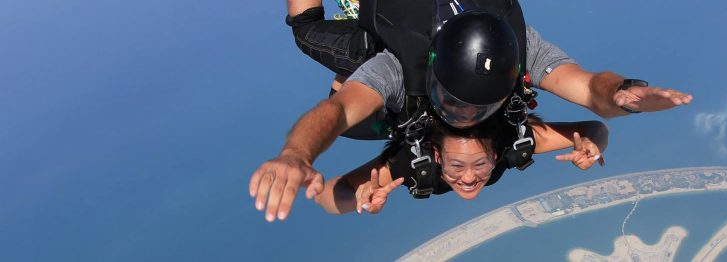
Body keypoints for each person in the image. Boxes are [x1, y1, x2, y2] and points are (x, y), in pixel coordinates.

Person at [248, 0, 693, 222]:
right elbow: (593, 111)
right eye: (477, 164)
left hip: (394, 69)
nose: (468, 177)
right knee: (349, 82)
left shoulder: (510, 53)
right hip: (409, 49)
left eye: (463, 164)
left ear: (437, 155)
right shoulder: (510, 131)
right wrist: (613, 111)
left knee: (326, 55)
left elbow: (590, 89)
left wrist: (622, 95)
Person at [311, 116, 608, 215]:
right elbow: (329, 196)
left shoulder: (513, 142)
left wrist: (592, 146)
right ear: (437, 156)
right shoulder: (411, 162)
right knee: (306, 30)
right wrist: (357, 198)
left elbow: (593, 129)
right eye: (456, 165)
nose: (468, 177)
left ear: (495, 154)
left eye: (480, 163)